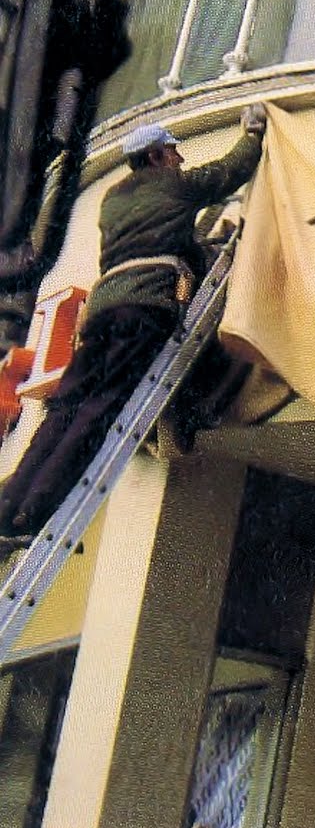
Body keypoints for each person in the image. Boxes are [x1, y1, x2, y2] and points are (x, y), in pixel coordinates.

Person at [0, 104, 268, 546]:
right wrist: (253, 132)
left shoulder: (113, 200)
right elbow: (228, 171)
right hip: (143, 309)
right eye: (174, 152)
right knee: (98, 409)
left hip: (103, 311)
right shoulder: (173, 186)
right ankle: (37, 510)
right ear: (158, 156)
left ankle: (9, 506)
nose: (180, 158)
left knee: (64, 407)